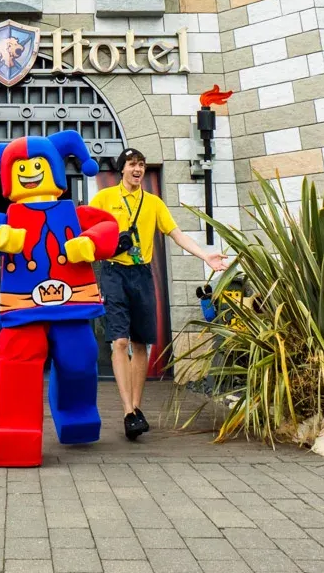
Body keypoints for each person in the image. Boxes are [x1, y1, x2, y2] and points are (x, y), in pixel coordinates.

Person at [90, 148, 229, 440]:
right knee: (119, 340)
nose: (137, 169)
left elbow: (176, 234)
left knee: (141, 343)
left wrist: (205, 255)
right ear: (122, 170)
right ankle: (128, 410)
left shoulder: (153, 203)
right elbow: (87, 234)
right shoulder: (104, 199)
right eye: (132, 165)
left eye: (141, 164)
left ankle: (137, 409)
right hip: (114, 272)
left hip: (142, 274)